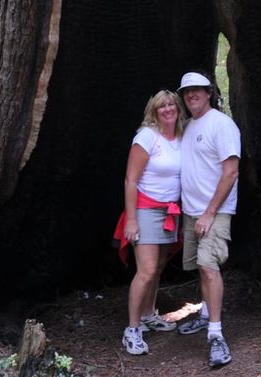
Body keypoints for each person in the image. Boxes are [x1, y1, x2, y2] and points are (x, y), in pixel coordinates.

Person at [113, 90, 187, 355]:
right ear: (154, 111)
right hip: (145, 209)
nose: (167, 109)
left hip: (170, 211)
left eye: (171, 104)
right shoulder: (147, 136)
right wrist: (131, 220)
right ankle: (132, 329)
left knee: (159, 267)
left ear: (178, 108)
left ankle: (148, 314)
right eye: (161, 106)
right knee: (146, 269)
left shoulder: (180, 137)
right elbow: (130, 180)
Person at [175, 71, 240, 367]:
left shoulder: (222, 125)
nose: (191, 95)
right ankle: (204, 316)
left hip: (214, 211)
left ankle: (216, 333)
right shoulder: (188, 126)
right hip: (192, 211)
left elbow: (231, 171)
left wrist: (210, 212)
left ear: (209, 92)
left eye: (197, 90)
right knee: (200, 268)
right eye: (187, 92)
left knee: (209, 266)